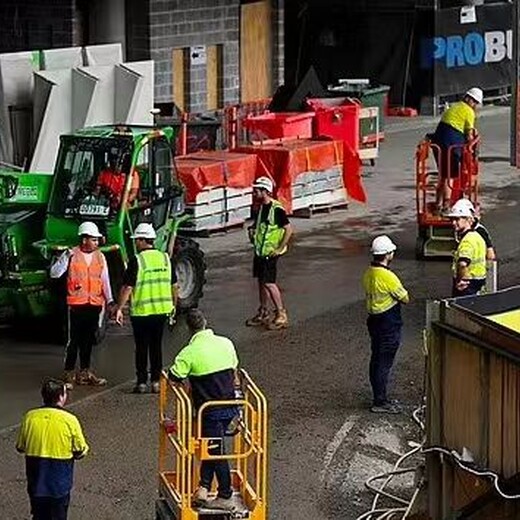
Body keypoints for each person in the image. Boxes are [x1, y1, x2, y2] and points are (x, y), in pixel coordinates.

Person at [168, 309, 239, 512]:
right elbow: (234, 368)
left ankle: (225, 495)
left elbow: (174, 376)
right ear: (205, 323)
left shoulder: (189, 353)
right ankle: (204, 487)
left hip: (209, 412)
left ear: (189, 329)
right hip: (231, 408)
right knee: (211, 447)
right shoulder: (226, 343)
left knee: (215, 452)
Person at [114, 223, 177, 394]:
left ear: (143, 240)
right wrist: (173, 306)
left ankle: (141, 382)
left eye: (137, 240)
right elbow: (174, 286)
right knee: (156, 347)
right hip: (161, 311)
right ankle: (156, 381)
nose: (136, 243)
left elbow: (127, 287)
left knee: (142, 348)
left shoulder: (137, 260)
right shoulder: (165, 259)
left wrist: (119, 308)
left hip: (141, 313)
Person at [50, 222, 114, 388]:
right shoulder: (72, 255)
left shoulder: (100, 256)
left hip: (94, 304)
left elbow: (105, 280)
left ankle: (85, 372)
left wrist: (110, 301)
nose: (97, 242)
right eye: (94, 239)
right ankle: (69, 373)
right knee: (74, 341)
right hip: (76, 305)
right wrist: (64, 257)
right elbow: (55, 273)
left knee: (88, 341)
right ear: (84, 239)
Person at [16, 378, 89, 520]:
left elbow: (20, 447)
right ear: (62, 397)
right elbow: (81, 450)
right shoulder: (70, 420)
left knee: (38, 515)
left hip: (36, 484)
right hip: (59, 485)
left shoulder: (29, 417)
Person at [362, 235, 409, 414]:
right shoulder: (388, 277)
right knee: (384, 362)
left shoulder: (368, 273)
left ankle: (379, 396)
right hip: (388, 322)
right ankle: (380, 401)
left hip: (374, 320)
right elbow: (405, 298)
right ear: (388, 254)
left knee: (376, 359)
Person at [246, 176, 293, 330]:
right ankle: (263, 312)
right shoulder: (261, 208)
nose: (254, 193)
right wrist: (252, 232)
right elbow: (260, 227)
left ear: (265, 191)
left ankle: (281, 314)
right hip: (260, 252)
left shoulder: (276, 209)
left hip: (270, 254)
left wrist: (279, 248)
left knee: (269, 283)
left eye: (256, 191)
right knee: (261, 282)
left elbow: (289, 229)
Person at [430, 87, 482, 212]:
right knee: (450, 175)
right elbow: (469, 134)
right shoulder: (469, 111)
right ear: (472, 101)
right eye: (474, 102)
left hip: (438, 142)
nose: (474, 105)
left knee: (443, 174)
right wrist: (472, 148)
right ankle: (446, 205)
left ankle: (438, 203)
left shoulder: (454, 107)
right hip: (451, 145)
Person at [446, 203, 487, 297]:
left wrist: (462, 281)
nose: (453, 223)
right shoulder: (477, 236)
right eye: (452, 219)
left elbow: (462, 264)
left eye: (457, 219)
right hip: (478, 282)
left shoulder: (467, 241)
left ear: (468, 220)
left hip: (467, 286)